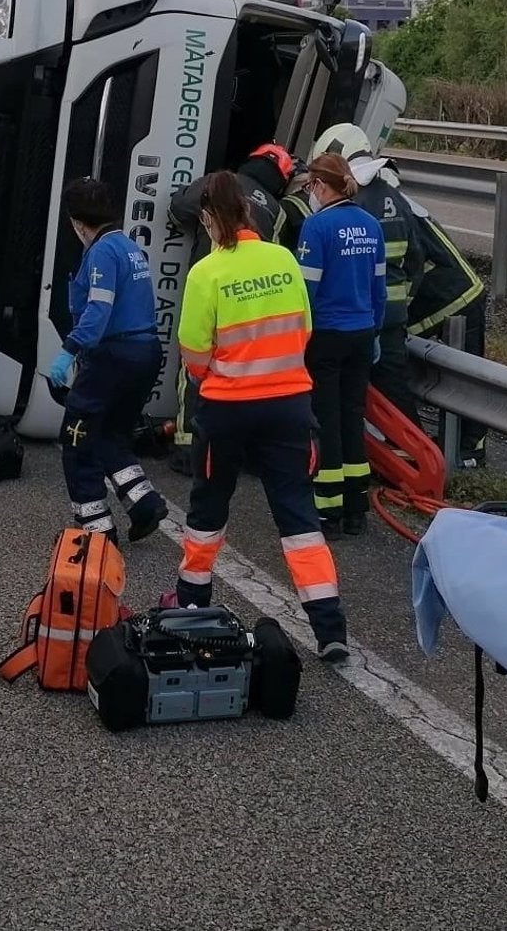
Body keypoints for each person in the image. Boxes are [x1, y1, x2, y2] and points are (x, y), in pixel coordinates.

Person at [168, 171, 350, 663]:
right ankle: (330, 629)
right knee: (298, 518)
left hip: (227, 410)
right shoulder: (283, 260)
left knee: (208, 510)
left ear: (208, 217)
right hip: (289, 408)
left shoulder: (207, 272)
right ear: (249, 212)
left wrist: (226, 373)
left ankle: (190, 606)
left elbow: (194, 357)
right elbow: (304, 330)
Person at [337, 141, 491, 467]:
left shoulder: (374, 203)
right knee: (401, 369)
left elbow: (409, 262)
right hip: (444, 292)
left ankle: (448, 453)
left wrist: (396, 311)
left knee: (398, 371)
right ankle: (430, 450)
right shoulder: (388, 196)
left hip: (450, 294)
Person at [48, 178, 170, 544]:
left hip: (113, 356)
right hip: (145, 353)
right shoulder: (130, 247)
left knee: (77, 438)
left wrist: (70, 349)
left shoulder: (101, 252)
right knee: (111, 436)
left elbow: (99, 307)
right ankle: (144, 502)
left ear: (77, 222)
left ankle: (96, 529)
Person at [166, 143, 295, 470]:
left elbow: (176, 208)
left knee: (195, 367)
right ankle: (243, 449)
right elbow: (273, 254)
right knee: (246, 373)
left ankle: (188, 444)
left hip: (211, 286)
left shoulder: (215, 184)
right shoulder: (276, 210)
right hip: (251, 302)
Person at [296, 153, 385, 536]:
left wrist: (298, 341)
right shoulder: (370, 225)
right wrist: (375, 330)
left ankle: (328, 512)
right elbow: (378, 289)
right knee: (352, 415)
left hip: (327, 335)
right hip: (363, 332)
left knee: (326, 418)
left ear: (318, 185)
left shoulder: (316, 228)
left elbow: (305, 294)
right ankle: (356, 508)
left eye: (310, 186)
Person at [312, 124, 422, 422]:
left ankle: (411, 456)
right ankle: (405, 454)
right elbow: (416, 259)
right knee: (392, 385)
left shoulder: (351, 204)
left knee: (350, 398)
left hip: (360, 315)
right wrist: (403, 304)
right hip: (391, 314)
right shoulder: (395, 196)